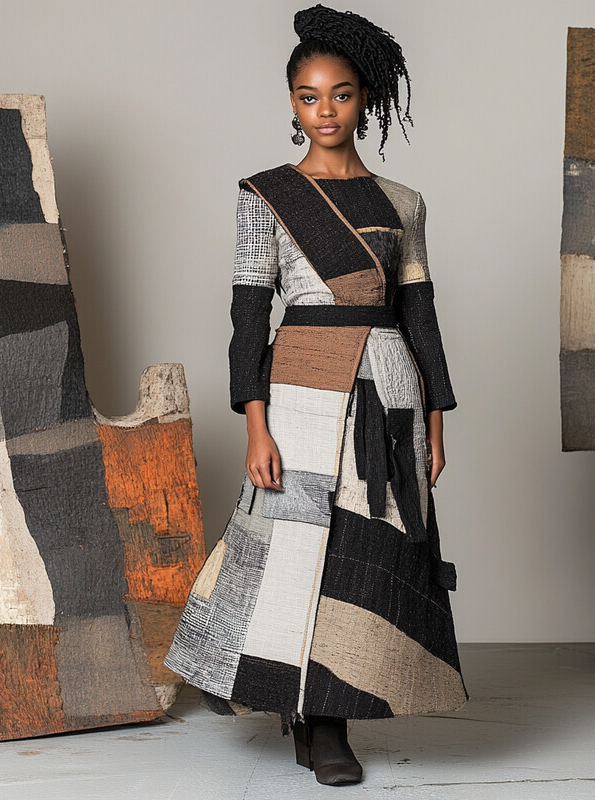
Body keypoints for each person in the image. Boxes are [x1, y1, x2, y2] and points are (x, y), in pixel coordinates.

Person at [164, 3, 469, 787]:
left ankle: (326, 708)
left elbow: (421, 314)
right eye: (308, 95)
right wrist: (254, 423)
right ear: (291, 103)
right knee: (301, 547)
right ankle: (314, 717)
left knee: (366, 550)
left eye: (339, 94)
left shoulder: (404, 203)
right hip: (297, 388)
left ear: (363, 99)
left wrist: (435, 415)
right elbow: (245, 313)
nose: (324, 110)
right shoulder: (265, 195)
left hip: (389, 389)